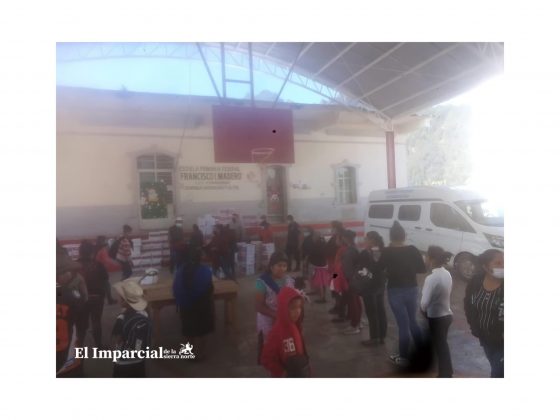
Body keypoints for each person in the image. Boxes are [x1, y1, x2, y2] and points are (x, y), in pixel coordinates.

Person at [378, 221, 426, 367]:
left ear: (390, 237)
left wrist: (389, 272)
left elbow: (379, 268)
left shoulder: (387, 251)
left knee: (403, 325)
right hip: (412, 289)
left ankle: (404, 357)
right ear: (404, 236)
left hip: (395, 291)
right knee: (413, 321)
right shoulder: (413, 249)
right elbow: (422, 269)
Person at [464, 249, 504, 378]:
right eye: (498, 263)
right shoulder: (476, 281)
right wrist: (474, 327)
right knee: (494, 364)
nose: (504, 266)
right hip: (485, 338)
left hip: (502, 342)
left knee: (498, 372)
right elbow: (468, 304)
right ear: (485, 267)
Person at [173, 244, 214, 360]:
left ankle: (190, 353)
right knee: (203, 330)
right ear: (200, 257)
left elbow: (175, 289)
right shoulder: (205, 271)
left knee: (188, 330)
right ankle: (201, 353)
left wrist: (181, 301)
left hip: (186, 306)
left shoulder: (180, 271)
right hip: (202, 306)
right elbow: (210, 288)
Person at [255, 252, 295, 363]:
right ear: (272, 266)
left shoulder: (289, 281)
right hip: (267, 320)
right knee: (269, 345)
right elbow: (258, 306)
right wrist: (276, 315)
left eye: (284, 266)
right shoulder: (261, 282)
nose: (282, 269)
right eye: (279, 265)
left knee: (283, 343)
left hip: (284, 319)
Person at [261, 287, 310, 377]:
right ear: (283, 309)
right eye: (293, 308)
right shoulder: (276, 332)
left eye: (299, 307)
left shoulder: (296, 326)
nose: (297, 311)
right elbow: (266, 358)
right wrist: (281, 372)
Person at [420, 246, 454, 377]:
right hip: (447, 315)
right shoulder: (447, 273)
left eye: (426, 256)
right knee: (441, 344)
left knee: (441, 346)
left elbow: (424, 302)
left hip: (436, 318)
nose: (425, 258)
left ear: (431, 259)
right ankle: (443, 370)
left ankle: (445, 374)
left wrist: (422, 310)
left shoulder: (431, 278)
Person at [111, 278, 151, 377]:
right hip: (139, 359)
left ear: (124, 301)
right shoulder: (145, 313)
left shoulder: (122, 318)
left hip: (123, 362)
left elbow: (117, 340)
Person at [78, 240, 112, 348]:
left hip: (81, 299)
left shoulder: (74, 266)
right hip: (97, 297)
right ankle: (99, 346)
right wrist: (107, 296)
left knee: (81, 324)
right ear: (92, 253)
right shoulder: (99, 265)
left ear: (80, 252)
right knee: (96, 322)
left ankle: (79, 348)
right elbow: (105, 280)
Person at [56, 253, 85, 377]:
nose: (70, 274)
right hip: (69, 359)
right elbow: (81, 322)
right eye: (66, 271)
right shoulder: (72, 295)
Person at [358, 231, 388, 346]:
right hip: (380, 284)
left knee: (371, 312)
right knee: (380, 310)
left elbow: (362, 269)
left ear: (372, 240)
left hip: (369, 285)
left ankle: (374, 338)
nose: (365, 241)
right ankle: (382, 336)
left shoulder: (366, 253)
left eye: (366, 239)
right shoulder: (383, 251)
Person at [338, 229, 362, 335]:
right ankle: (357, 323)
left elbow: (347, 268)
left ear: (345, 238)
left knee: (353, 303)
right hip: (355, 279)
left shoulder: (350, 250)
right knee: (356, 301)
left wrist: (347, 279)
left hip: (351, 280)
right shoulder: (354, 248)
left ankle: (354, 325)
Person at [326, 221, 344, 315]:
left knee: (336, 286)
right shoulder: (335, 237)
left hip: (336, 269)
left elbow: (337, 247)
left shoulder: (339, 238)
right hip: (333, 267)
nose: (331, 229)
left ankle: (339, 307)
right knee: (333, 286)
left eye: (332, 227)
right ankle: (337, 305)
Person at [94, 236, 119, 304]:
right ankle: (110, 299)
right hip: (101, 269)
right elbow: (106, 259)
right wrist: (114, 262)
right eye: (105, 240)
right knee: (106, 284)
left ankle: (102, 297)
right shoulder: (102, 250)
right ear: (103, 241)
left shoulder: (96, 248)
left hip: (95, 268)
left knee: (101, 284)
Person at [308, 231, 329, 304]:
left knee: (319, 281)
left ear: (316, 237)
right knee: (322, 281)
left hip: (317, 265)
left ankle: (322, 297)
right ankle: (320, 294)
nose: (312, 238)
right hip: (323, 264)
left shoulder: (316, 245)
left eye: (313, 237)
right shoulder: (324, 243)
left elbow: (312, 254)